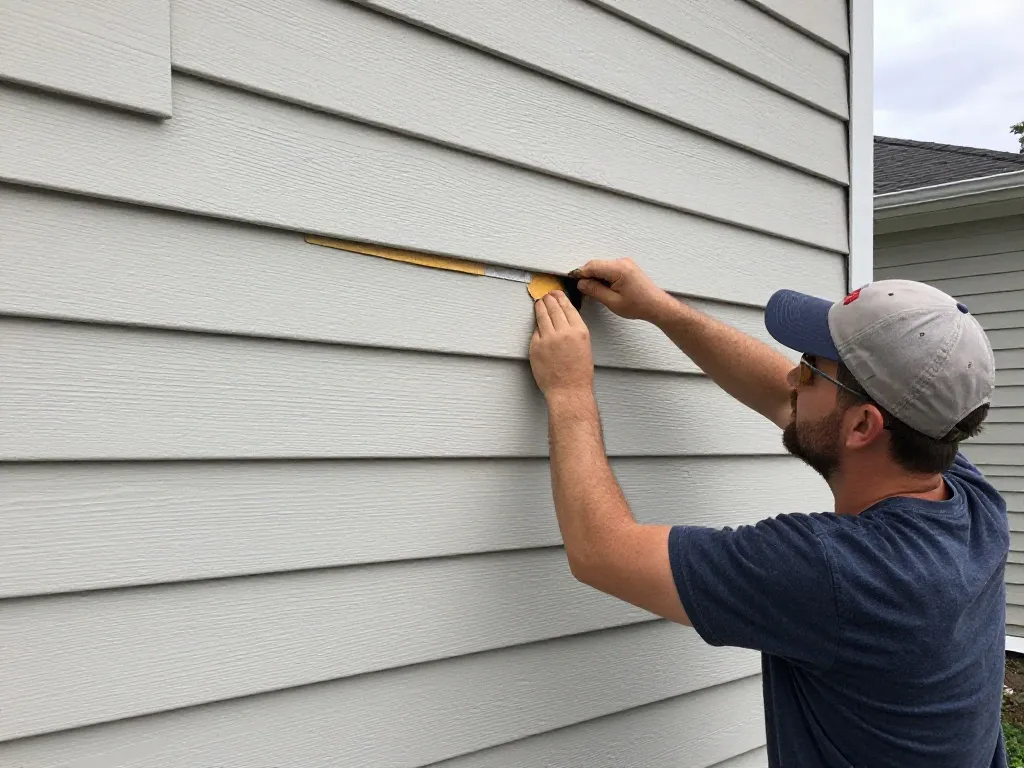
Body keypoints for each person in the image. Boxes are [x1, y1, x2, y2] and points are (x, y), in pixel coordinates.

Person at [527, 258, 1009, 768]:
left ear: (863, 427)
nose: (791, 376)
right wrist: (661, 311)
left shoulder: (842, 573)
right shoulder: (970, 500)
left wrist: (569, 391)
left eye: (809, 368)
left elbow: (601, 552)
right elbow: (792, 402)